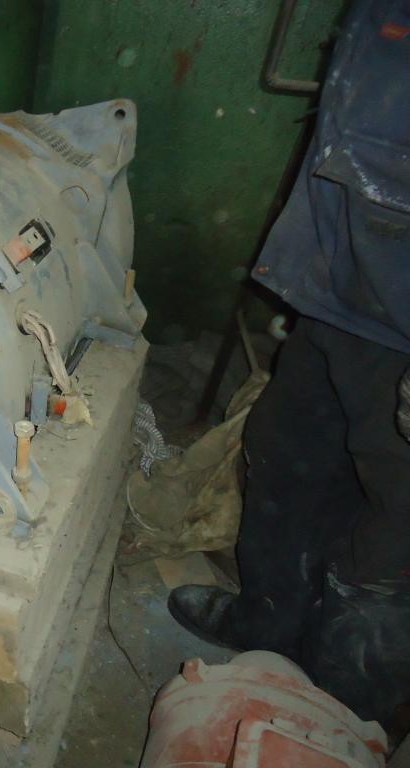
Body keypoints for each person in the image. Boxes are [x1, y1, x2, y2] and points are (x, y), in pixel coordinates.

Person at [167, 0, 410, 732]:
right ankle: (268, 626)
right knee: (287, 451)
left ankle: (340, 703)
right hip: (343, 286)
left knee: (395, 524)